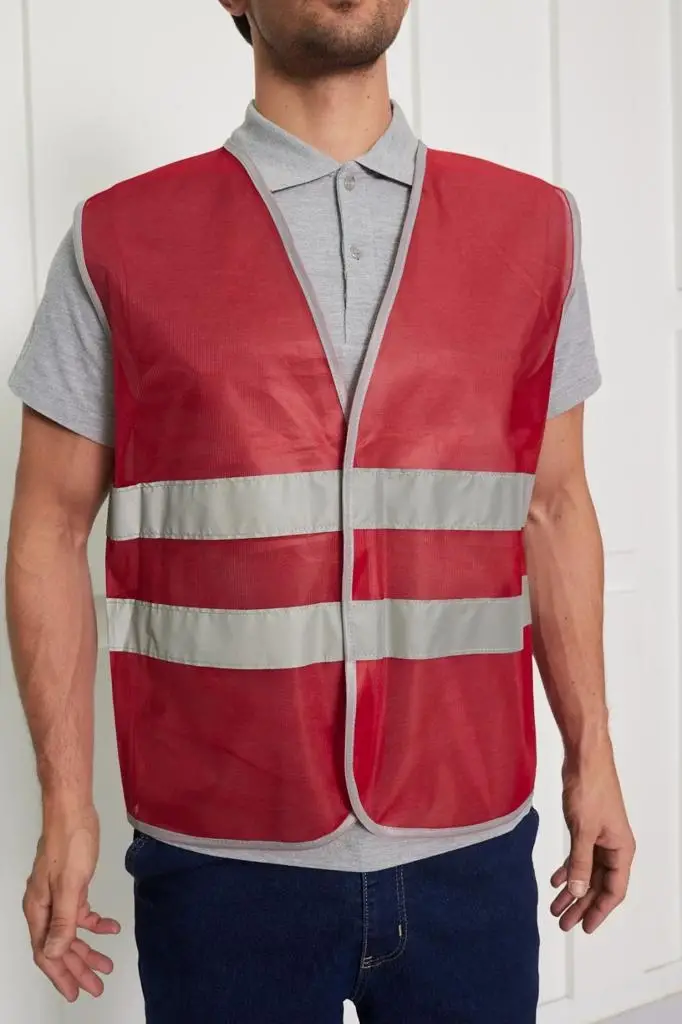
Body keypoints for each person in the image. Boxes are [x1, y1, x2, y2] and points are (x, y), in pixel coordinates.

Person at [5, 1, 636, 1021]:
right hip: (219, 861)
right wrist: (67, 804)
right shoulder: (118, 240)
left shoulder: (534, 229)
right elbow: (48, 526)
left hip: (471, 848)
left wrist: (593, 757)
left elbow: (556, 506)